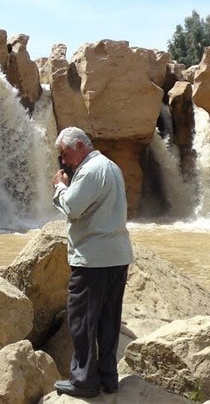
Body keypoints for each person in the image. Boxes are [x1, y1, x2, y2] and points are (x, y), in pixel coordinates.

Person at [51, 127, 133, 398]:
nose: (64, 161)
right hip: (117, 256)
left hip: (92, 260)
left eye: (65, 154)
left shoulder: (88, 170)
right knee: (109, 320)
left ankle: (84, 380)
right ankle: (109, 379)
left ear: (79, 146)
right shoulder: (112, 166)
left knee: (82, 321)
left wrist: (60, 186)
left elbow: (73, 208)